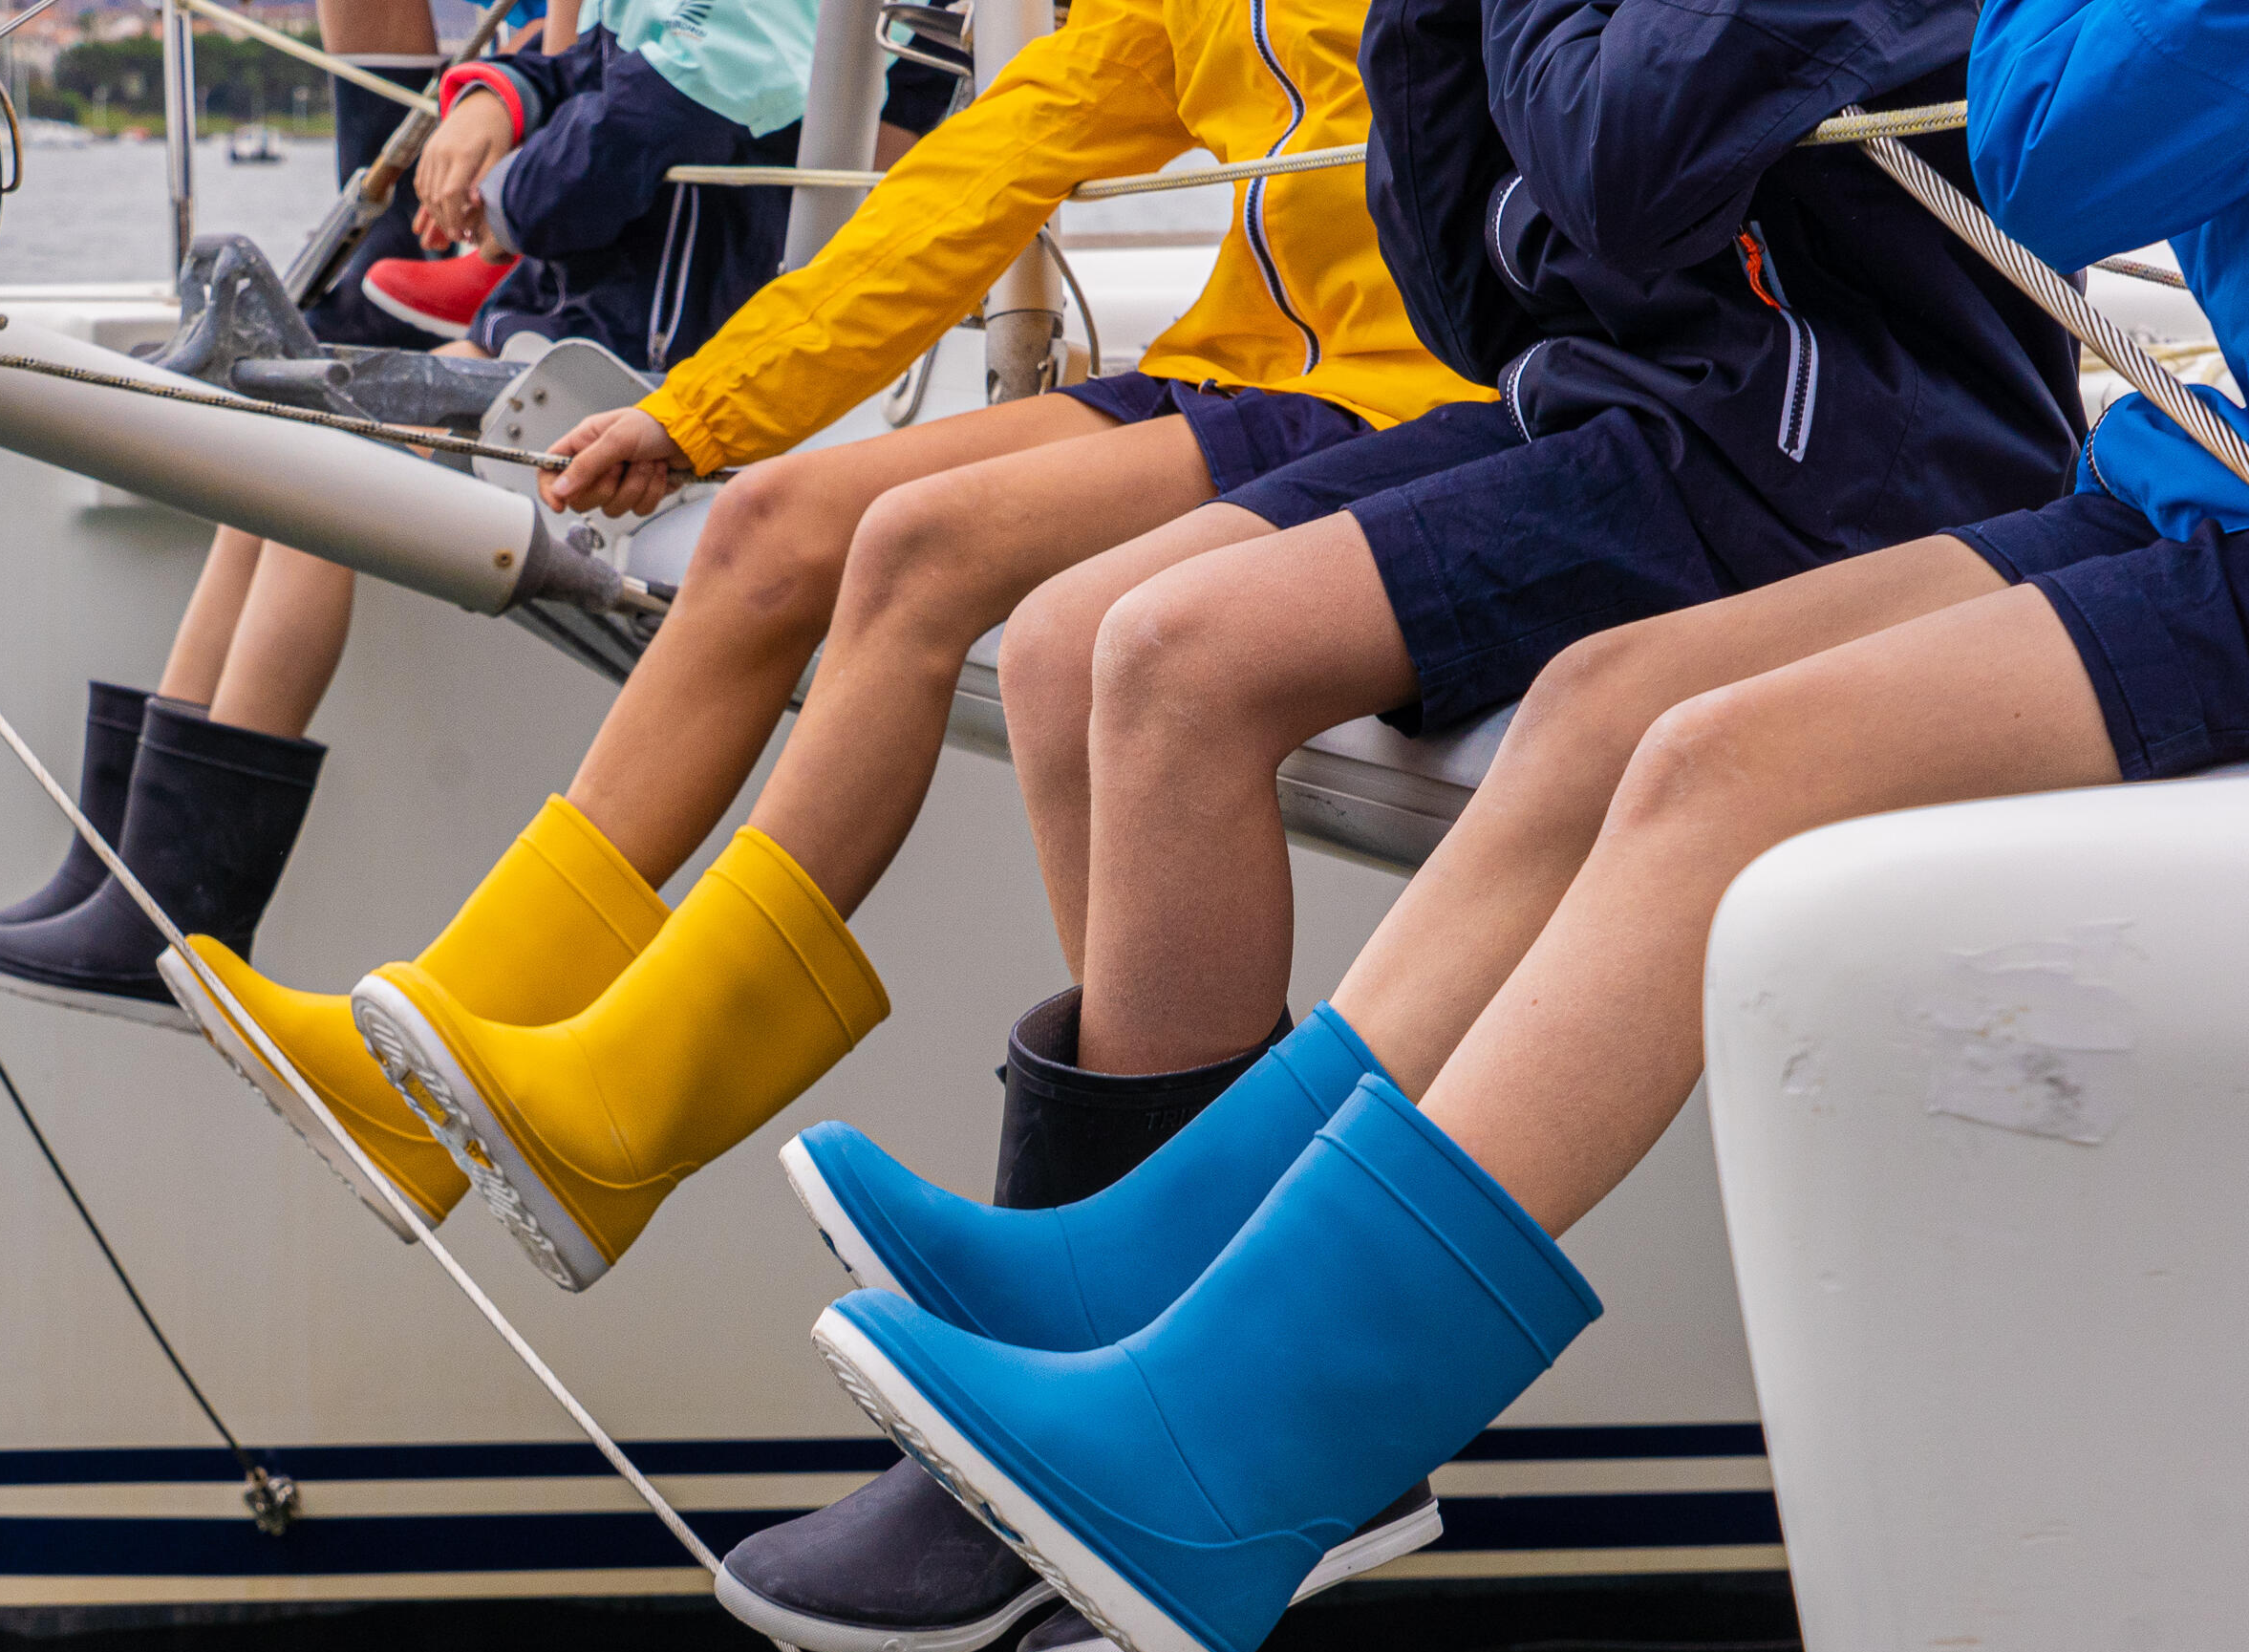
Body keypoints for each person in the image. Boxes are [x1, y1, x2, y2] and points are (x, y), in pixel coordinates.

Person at [745, 0, 2247, 1652]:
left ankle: (1246, 1445)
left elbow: (2062, 152)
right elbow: (1477, 272)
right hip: (2190, 470)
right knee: (1611, 708)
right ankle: (1171, 1256)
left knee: (1716, 765)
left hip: (1927, 453)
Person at [182, 0, 1498, 1272]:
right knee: (771, 521)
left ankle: (637, 1098)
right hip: (1253, 369)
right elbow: (964, 187)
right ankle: (430, 1077)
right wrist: (701, 412)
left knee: (918, 550)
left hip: (1407, 392)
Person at [0, 0, 949, 1025]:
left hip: (654, 374)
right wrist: (495, 98)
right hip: (569, 332)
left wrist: (499, 189)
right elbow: (587, 77)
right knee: (268, 449)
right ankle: (125, 866)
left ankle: (184, 916)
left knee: (325, 462)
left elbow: (613, 156)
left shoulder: (748, 20)